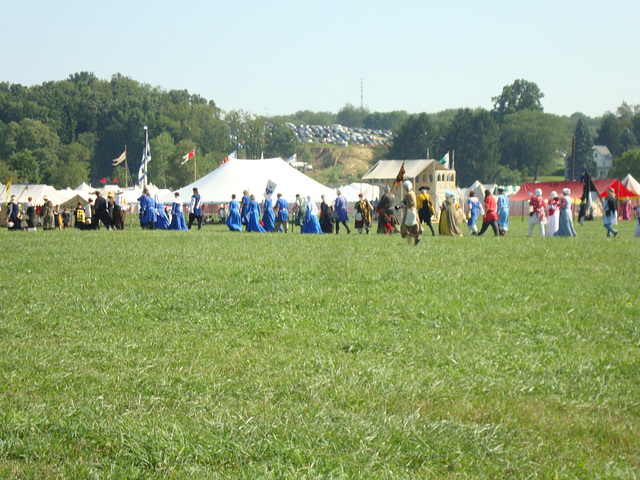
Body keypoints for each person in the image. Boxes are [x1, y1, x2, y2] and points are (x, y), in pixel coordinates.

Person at [400, 181, 421, 245]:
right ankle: (411, 242)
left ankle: (415, 239)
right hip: (410, 212)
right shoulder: (411, 193)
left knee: (405, 228)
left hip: (410, 213)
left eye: (405, 187)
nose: (404, 188)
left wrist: (405, 206)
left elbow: (412, 203)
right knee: (409, 228)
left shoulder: (410, 194)